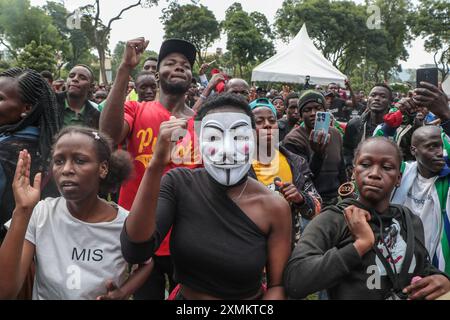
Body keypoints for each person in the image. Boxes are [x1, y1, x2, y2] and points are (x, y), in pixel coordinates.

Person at [121, 93, 292, 300]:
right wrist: (156, 164)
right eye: (213, 137)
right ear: (199, 140)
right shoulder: (179, 184)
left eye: (239, 137)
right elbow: (136, 250)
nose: (227, 151)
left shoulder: (274, 207)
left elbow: (277, 286)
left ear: (253, 139)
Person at [284, 136, 450, 300]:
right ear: (354, 172)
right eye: (365, 165)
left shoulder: (408, 219)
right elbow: (296, 282)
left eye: (387, 167)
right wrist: (360, 245)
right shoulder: (333, 220)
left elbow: (420, 265)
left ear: (398, 178)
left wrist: (441, 279)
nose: (375, 174)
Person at [0, 127, 154, 299]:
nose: (66, 169)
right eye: (58, 161)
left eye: (80, 161)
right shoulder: (42, 214)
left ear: (103, 168)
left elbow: (147, 262)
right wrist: (22, 210)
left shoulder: (124, 223)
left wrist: (123, 292)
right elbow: (5, 292)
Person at [100, 37, 201, 300]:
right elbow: (107, 135)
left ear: (191, 77)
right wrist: (124, 69)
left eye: (186, 65)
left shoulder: (202, 126)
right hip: (142, 241)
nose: (179, 67)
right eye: (171, 63)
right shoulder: (137, 109)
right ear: (157, 74)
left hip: (187, 240)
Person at [248, 98, 321, 245]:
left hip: (288, 245)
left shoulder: (295, 162)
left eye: (272, 120)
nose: (267, 125)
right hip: (251, 244)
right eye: (259, 121)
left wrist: (300, 198)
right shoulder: (238, 166)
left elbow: (316, 208)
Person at [0, 68, 60, 241]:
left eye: (0, 98)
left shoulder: (4, 152)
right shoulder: (53, 147)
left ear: (27, 108)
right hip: (35, 246)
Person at [283, 90, 347, 206]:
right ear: (301, 115)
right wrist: (318, 154)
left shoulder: (336, 134)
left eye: (318, 108)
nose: (313, 113)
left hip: (336, 201)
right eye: (307, 110)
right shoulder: (293, 140)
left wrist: (346, 195)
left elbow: (341, 169)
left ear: (325, 111)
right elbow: (302, 179)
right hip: (311, 202)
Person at [343, 84, 393, 172]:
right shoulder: (354, 124)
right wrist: (350, 166)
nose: (377, 98)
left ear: (390, 102)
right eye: (373, 95)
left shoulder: (397, 127)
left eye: (383, 96)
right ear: (368, 100)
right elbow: (347, 149)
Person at [56, 64, 100, 129]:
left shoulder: (96, 116)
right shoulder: (50, 103)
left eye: (82, 78)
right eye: (71, 76)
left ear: (91, 87)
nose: (75, 79)